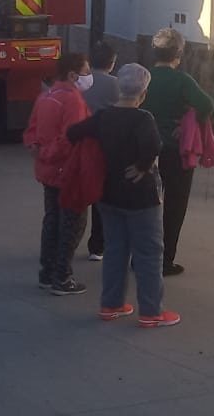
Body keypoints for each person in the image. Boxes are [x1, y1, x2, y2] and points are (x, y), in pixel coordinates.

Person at [67, 64, 181, 328]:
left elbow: (73, 133)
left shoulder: (104, 117)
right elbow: (154, 145)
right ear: (143, 93)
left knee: (116, 249)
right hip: (141, 197)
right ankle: (151, 311)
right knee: (149, 252)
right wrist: (141, 166)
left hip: (109, 193)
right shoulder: (143, 119)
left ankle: (111, 304)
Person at [141, 28, 214, 277]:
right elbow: (207, 104)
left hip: (145, 150)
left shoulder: (145, 77)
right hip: (174, 150)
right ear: (179, 54)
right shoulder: (183, 80)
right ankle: (165, 261)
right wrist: (187, 123)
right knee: (175, 204)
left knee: (143, 206)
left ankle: (139, 256)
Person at [23, 52, 92, 296]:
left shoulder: (46, 96)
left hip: (48, 172)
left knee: (52, 219)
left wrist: (38, 151)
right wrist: (49, 153)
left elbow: (31, 130)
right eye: (85, 71)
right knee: (72, 222)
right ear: (73, 75)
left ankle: (47, 271)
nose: (88, 76)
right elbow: (71, 137)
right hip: (67, 171)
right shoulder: (73, 100)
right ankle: (62, 277)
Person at [82, 40, 120, 262]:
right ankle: (97, 245)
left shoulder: (80, 83)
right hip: (106, 145)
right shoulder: (116, 84)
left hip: (81, 142)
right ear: (112, 63)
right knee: (102, 196)